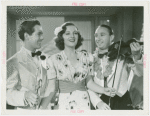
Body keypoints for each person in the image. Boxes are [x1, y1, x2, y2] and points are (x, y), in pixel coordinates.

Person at [40, 22, 116, 110]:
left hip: (84, 102)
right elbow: (51, 87)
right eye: (67, 33)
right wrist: (41, 108)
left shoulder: (88, 57)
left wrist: (103, 90)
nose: (72, 36)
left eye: (75, 33)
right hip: (64, 104)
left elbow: (89, 83)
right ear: (61, 37)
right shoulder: (52, 60)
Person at [88, 25, 143, 110]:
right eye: (96, 36)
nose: (98, 39)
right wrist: (98, 102)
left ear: (111, 37)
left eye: (102, 35)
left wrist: (137, 55)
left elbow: (140, 73)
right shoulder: (90, 58)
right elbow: (87, 84)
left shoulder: (123, 55)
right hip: (99, 102)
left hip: (122, 101)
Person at [7, 20, 48, 110]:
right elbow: (5, 93)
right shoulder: (13, 62)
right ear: (27, 36)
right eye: (39, 34)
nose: (42, 37)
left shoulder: (45, 58)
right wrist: (24, 95)